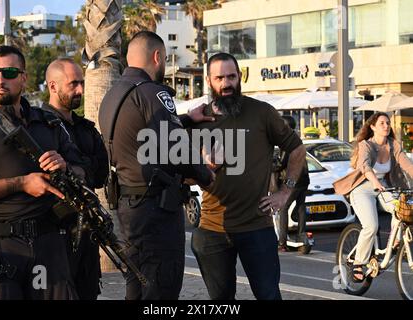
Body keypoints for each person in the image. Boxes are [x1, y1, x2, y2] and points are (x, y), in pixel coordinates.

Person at [98, 31, 214, 300]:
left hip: (129, 207)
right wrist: (204, 175)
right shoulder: (153, 92)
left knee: (137, 287)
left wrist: (186, 118)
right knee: (162, 286)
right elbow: (176, 145)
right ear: (157, 57)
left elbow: (142, 130)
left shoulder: (113, 94)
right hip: (155, 210)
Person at [0, 46, 88, 299]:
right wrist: (21, 183)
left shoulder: (49, 122)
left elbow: (84, 172)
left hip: (49, 246)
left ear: (23, 78)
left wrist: (66, 167)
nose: (0, 80)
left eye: (9, 72)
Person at [190, 52, 306, 300]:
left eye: (231, 76)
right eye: (219, 77)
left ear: (240, 77)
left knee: (269, 296)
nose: (226, 83)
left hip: (257, 228)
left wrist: (285, 192)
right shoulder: (198, 120)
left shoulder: (262, 112)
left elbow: (297, 148)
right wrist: (203, 166)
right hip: (212, 230)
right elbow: (184, 178)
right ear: (209, 81)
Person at [42, 58, 108, 300]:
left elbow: (101, 173)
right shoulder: (39, 126)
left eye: (81, 83)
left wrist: (73, 168)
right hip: (52, 235)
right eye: (73, 84)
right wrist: (80, 169)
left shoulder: (85, 128)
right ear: (53, 86)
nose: (80, 90)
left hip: (86, 232)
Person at [346, 112, 413, 282]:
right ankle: (358, 263)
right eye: (382, 123)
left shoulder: (394, 145)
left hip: (385, 187)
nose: (386, 126)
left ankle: (396, 241)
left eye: (388, 123)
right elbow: (365, 165)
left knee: (402, 210)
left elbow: (407, 165)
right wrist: (375, 181)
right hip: (363, 188)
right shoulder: (365, 145)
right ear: (373, 127)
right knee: (371, 226)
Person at [277, 116, 310, 252]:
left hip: (293, 180)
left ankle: (282, 242)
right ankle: (301, 235)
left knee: (283, 208)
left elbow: (281, 164)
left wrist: (270, 165)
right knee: (301, 207)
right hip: (304, 179)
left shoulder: (287, 141)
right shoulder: (297, 139)